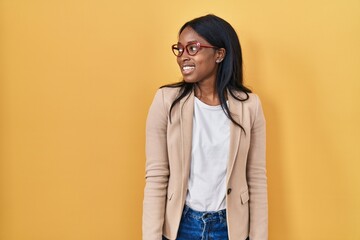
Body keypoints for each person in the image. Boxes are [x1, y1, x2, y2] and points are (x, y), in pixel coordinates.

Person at [143, 14, 267, 240]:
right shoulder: (165, 102)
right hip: (181, 226)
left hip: (230, 229)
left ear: (219, 54)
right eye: (179, 49)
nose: (183, 57)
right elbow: (157, 176)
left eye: (193, 48)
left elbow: (256, 178)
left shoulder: (249, 106)